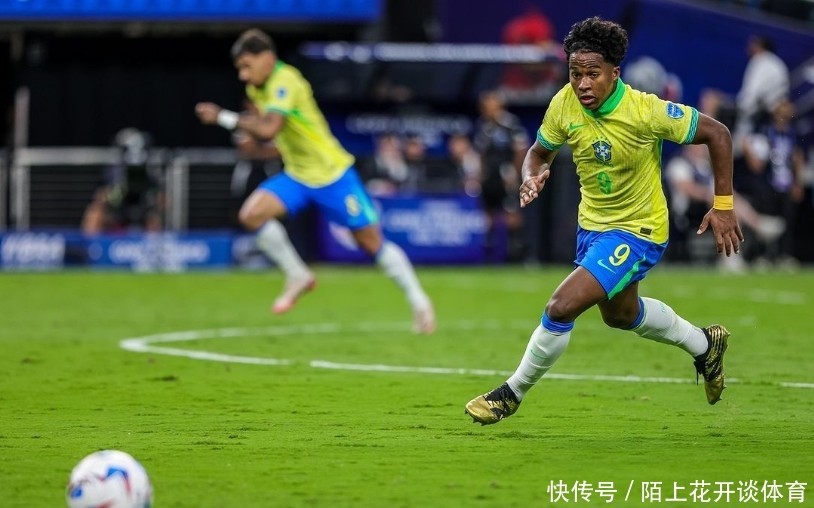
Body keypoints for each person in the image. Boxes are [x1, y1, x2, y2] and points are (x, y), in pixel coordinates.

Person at [465, 17, 744, 425]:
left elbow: (718, 134)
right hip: (593, 228)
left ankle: (510, 393)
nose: (582, 84)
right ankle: (705, 345)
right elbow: (538, 152)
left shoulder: (645, 110)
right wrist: (531, 175)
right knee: (620, 316)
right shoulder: (564, 103)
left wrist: (723, 205)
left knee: (560, 307)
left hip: (639, 230)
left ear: (615, 72)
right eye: (575, 73)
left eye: (593, 74)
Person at [195, 29, 435, 333]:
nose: (243, 75)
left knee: (370, 243)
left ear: (266, 58)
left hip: (332, 175)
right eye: (239, 69)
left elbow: (268, 129)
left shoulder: (286, 80)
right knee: (251, 215)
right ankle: (298, 275)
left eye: (246, 66)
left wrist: (222, 117)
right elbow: (272, 131)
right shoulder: (258, 89)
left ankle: (419, 301)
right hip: (298, 175)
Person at [474, 90, 529, 261]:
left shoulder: (510, 125)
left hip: (506, 174)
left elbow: (520, 149)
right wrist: (480, 174)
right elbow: (481, 152)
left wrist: (515, 172)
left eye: (491, 105)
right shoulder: (484, 126)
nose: (487, 109)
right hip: (489, 176)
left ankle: (517, 252)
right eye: (485, 106)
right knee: (489, 212)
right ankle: (489, 253)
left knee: (511, 211)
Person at [81, 128, 164, 235]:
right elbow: (102, 194)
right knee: (95, 211)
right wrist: (112, 196)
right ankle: (90, 242)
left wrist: (153, 202)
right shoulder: (115, 170)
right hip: (120, 210)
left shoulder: (151, 171)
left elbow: (160, 197)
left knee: (154, 217)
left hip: (143, 209)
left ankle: (153, 244)